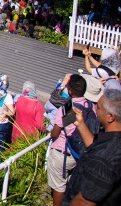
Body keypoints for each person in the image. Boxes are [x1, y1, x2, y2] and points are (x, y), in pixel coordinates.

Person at [62, 90, 121, 206]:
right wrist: (81, 124)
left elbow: (84, 202)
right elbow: (95, 146)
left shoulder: (104, 160)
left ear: (110, 117)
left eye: (98, 108)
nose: (95, 109)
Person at [47, 74, 100, 206]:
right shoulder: (89, 105)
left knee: (59, 186)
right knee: (70, 181)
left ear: (70, 91)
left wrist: (53, 137)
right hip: (81, 151)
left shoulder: (69, 108)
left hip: (64, 151)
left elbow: (56, 131)